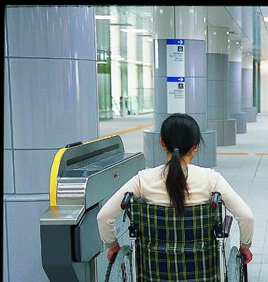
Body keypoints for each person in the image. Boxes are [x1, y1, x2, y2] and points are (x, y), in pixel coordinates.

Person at [97, 113, 254, 268]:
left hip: (154, 268)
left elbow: (104, 217)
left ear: (161, 142)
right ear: (195, 147)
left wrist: (113, 246)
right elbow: (246, 217)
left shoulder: (142, 179)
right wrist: (245, 246)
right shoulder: (211, 179)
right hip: (202, 267)